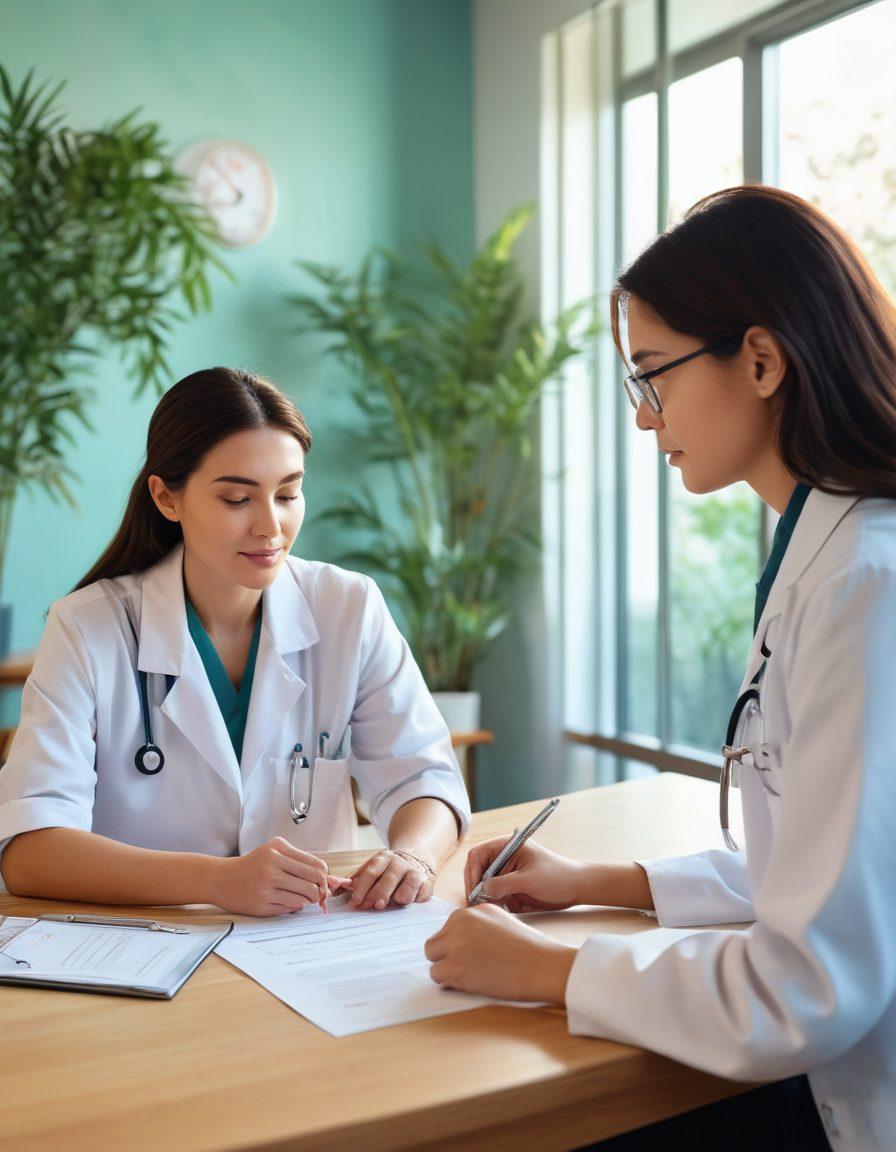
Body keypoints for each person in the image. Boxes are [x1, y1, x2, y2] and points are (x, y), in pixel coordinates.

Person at [424, 186, 896, 1151]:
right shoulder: (829, 552)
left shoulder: (866, 585)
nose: (647, 420)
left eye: (653, 378)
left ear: (760, 359)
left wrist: (547, 970)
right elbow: (826, 866)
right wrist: (603, 879)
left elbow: (811, 986)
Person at [0, 367, 470, 917]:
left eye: (289, 493)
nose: (271, 527)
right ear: (166, 497)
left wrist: (413, 856)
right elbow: (30, 851)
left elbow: (424, 778)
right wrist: (216, 880)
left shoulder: (348, 607)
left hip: (302, 944)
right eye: (236, 499)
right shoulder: (88, 628)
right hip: (146, 945)